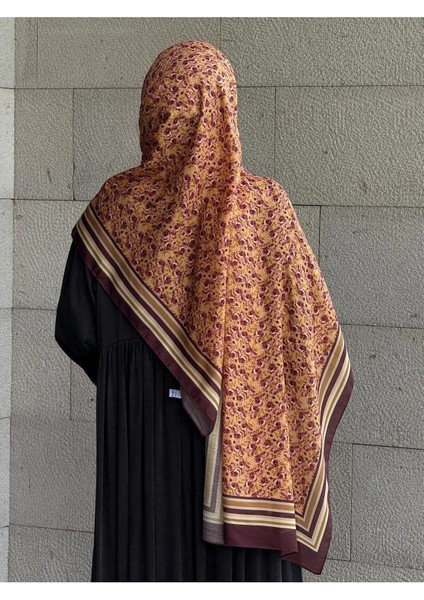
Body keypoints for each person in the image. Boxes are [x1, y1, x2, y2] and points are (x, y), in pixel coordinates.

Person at [55, 39, 353, 582]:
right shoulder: (266, 211)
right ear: (224, 108)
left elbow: (75, 328)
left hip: (140, 451)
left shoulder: (112, 209)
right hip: (247, 463)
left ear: (153, 109)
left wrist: (142, 365)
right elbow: (310, 339)